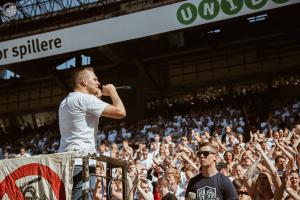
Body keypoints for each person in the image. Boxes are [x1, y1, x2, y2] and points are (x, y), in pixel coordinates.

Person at [58, 67, 126, 200]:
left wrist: (95, 97)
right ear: (83, 81)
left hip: (65, 160)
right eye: (94, 79)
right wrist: (113, 91)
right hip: (82, 161)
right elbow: (120, 112)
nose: (98, 83)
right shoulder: (86, 100)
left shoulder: (65, 102)